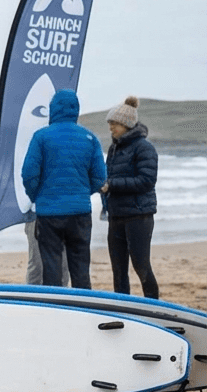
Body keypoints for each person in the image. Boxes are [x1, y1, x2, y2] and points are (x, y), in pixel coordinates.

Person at [21, 88, 106, 289]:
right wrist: (84, 192)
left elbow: (29, 174)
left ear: (53, 109)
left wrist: (37, 196)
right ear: (76, 110)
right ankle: (84, 309)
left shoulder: (41, 137)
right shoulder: (90, 137)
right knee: (80, 268)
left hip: (49, 213)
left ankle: (56, 310)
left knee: (51, 267)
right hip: (80, 212)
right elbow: (100, 177)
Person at [101, 95, 159, 298]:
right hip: (116, 215)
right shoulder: (114, 148)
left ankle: (154, 307)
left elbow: (147, 180)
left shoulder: (144, 148)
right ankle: (123, 309)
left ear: (127, 124)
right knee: (118, 269)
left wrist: (111, 185)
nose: (111, 128)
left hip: (139, 215)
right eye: (110, 124)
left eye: (115, 124)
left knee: (141, 266)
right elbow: (108, 176)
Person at [24, 212, 67, 286]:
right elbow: (24, 206)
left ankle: (59, 295)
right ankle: (32, 295)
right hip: (36, 216)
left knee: (62, 267)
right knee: (37, 267)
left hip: (63, 213)